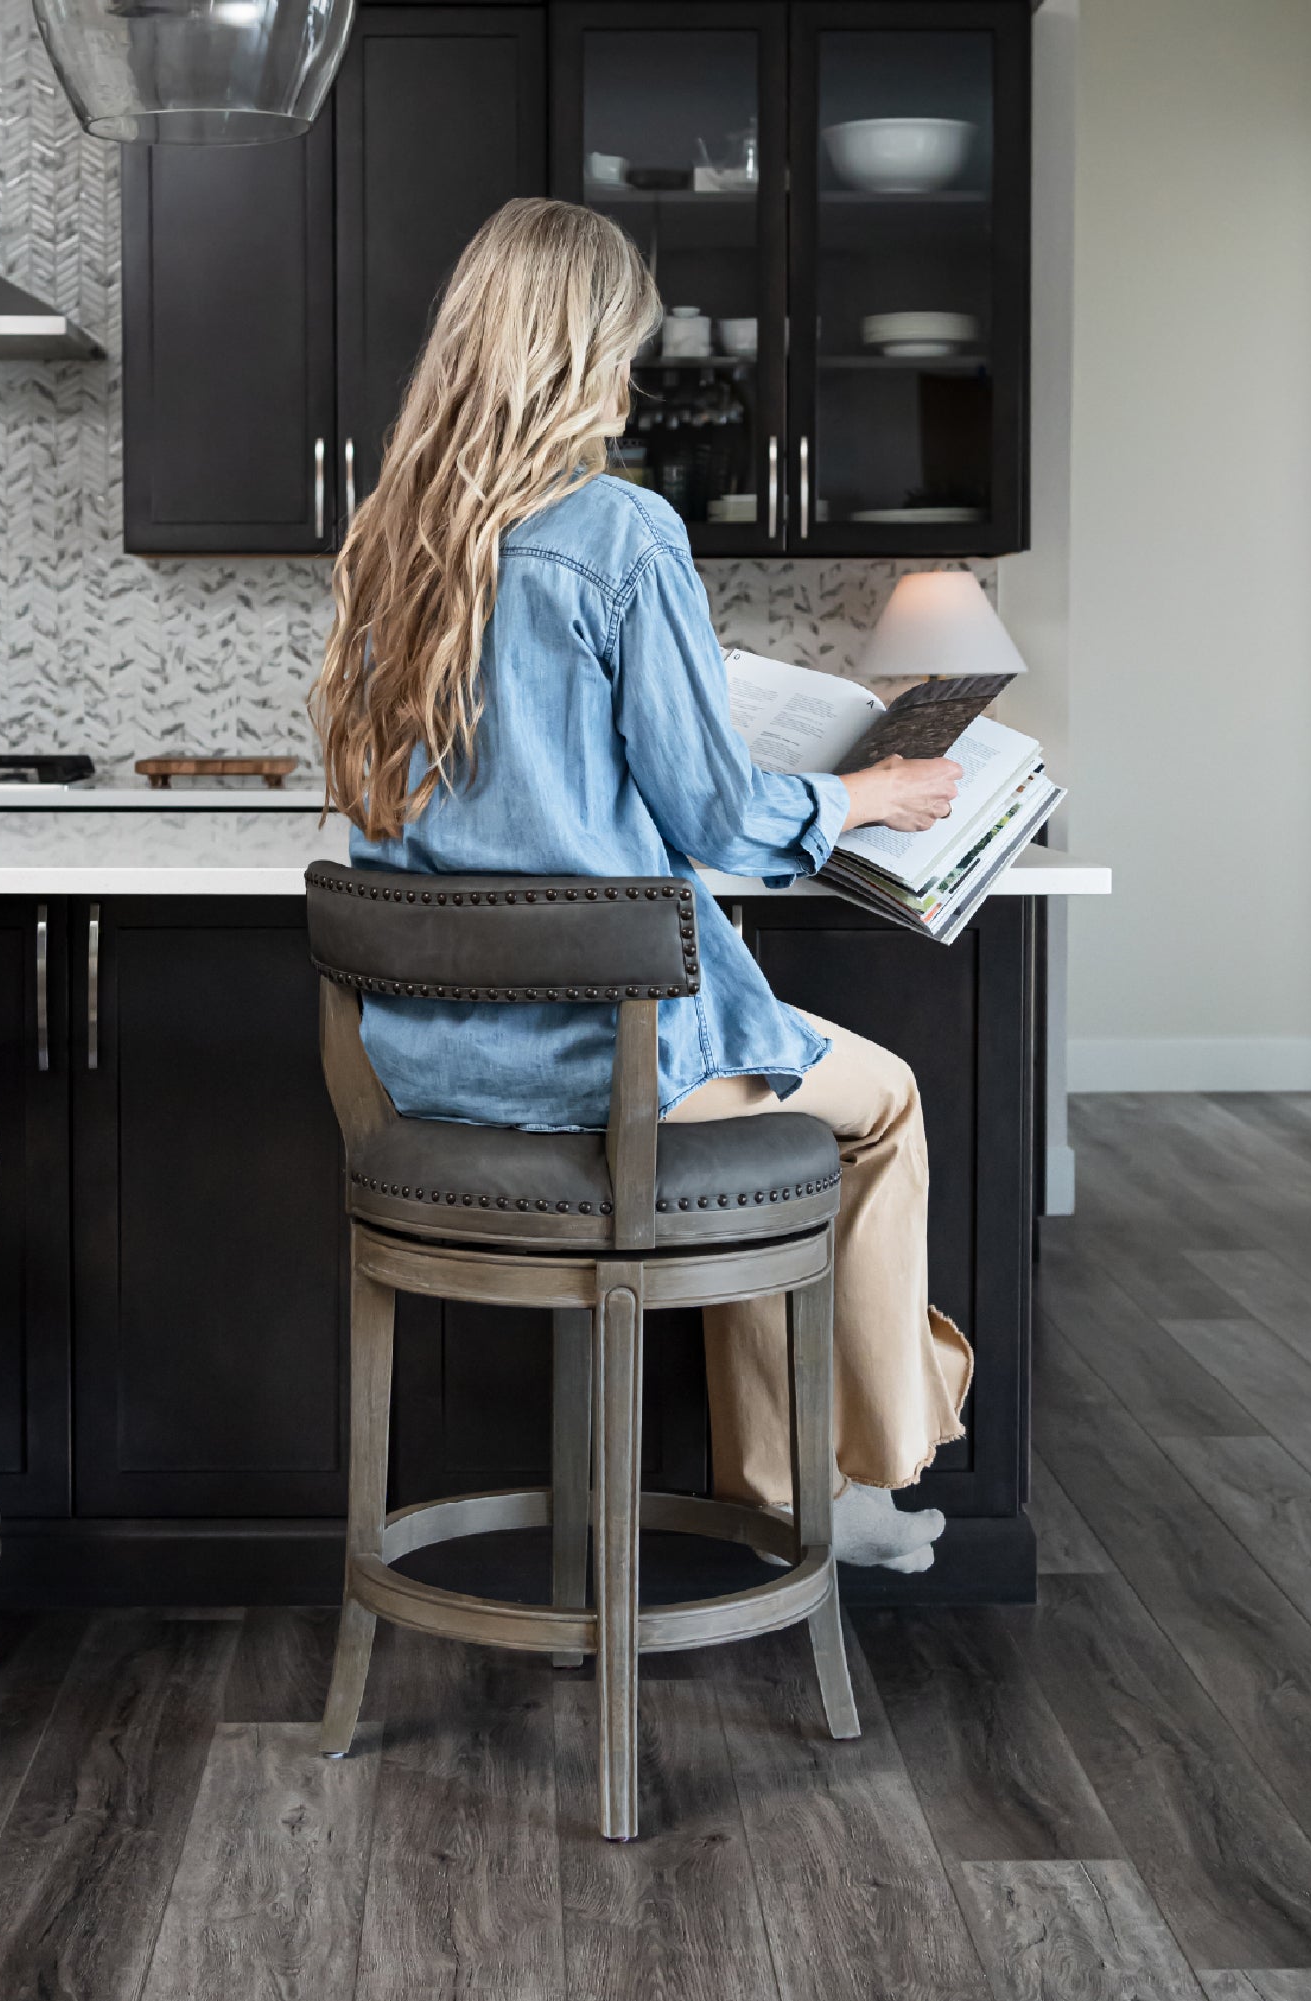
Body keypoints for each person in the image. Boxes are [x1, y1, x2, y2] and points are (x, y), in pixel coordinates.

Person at [309, 198, 972, 1573]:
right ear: (581, 352)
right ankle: (847, 1476)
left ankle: (784, 1476)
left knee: (772, 1108)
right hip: (600, 1068)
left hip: (424, 1073)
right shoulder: (619, 535)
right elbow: (716, 809)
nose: (631, 378)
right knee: (878, 1102)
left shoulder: (388, 536)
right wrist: (864, 793)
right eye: (624, 348)